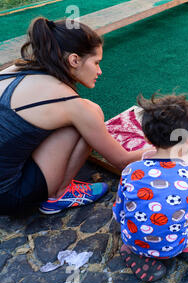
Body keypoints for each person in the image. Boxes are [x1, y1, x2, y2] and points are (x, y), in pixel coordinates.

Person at [0, 17, 150, 216]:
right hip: (8, 197)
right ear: (74, 60)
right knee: (89, 114)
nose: (99, 71)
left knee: (81, 114)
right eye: (96, 63)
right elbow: (122, 161)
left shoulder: (13, 69)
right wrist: (172, 149)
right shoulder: (67, 101)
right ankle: (58, 196)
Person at [113, 93, 188, 282]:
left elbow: (119, 211)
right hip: (176, 245)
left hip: (133, 239)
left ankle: (134, 252)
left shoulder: (130, 170)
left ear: (148, 139)